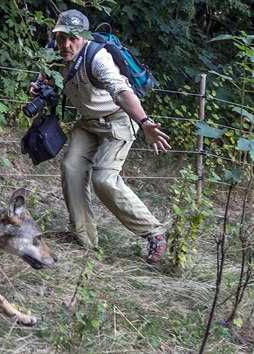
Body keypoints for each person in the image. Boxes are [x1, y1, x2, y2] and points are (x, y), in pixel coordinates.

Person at [29, 9, 171, 262]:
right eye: (62, 37)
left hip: (119, 120)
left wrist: (146, 122)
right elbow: (47, 78)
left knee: (104, 178)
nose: (66, 44)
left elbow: (121, 91)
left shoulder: (98, 58)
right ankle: (85, 239)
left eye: (73, 38)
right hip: (89, 122)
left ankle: (155, 233)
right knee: (71, 168)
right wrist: (41, 86)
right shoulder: (53, 51)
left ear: (83, 37)